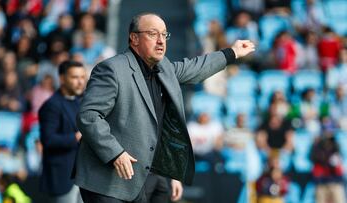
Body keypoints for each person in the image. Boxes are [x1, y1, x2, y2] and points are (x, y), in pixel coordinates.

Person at [74, 12, 255, 203]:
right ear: (134, 38)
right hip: (106, 182)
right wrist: (115, 153)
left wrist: (231, 52)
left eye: (164, 35)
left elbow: (196, 68)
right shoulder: (111, 69)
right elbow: (89, 116)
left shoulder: (164, 68)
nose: (161, 41)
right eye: (153, 34)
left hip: (139, 181)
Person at [38, 60, 86, 203]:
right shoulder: (51, 105)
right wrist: (76, 137)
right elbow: (48, 140)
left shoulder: (82, 102)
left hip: (84, 178)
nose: (80, 82)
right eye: (75, 77)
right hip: (62, 178)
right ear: (62, 78)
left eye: (83, 77)